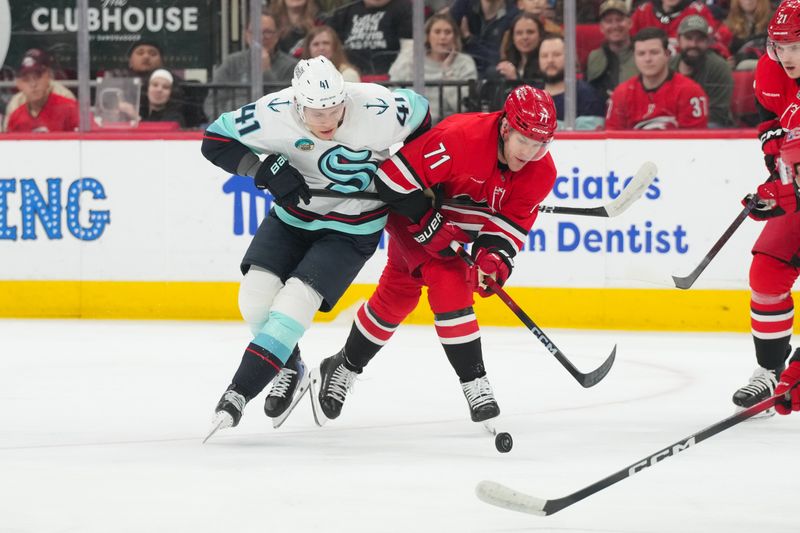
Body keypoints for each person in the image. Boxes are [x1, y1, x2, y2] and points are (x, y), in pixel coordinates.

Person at [200, 56, 430, 438]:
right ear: (296, 104)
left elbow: (422, 117)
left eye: (335, 110)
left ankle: (238, 393)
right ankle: (289, 367)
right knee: (254, 300)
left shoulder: (377, 106)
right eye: (316, 113)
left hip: (352, 229)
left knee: (295, 302)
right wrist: (262, 171)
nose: (328, 122)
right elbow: (215, 140)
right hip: (293, 219)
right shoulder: (273, 112)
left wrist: (412, 177)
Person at [307, 86, 558, 428]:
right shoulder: (459, 138)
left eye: (540, 144)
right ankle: (475, 383)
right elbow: (391, 182)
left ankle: (343, 364)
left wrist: (493, 260)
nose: (530, 153)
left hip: (453, 230)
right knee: (450, 278)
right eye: (524, 141)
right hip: (410, 216)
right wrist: (428, 223)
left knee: (396, 297)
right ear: (505, 128)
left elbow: (508, 226)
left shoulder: (541, 172)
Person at [730, 0, 800, 417]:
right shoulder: (771, 72)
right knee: (767, 269)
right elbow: (771, 129)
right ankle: (770, 369)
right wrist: (777, 186)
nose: (786, 56)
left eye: (796, 45)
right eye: (780, 46)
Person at [605, 27, 709, 129]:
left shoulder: (690, 92)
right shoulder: (621, 93)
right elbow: (613, 139)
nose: (648, 59)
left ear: (667, 54)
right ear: (634, 57)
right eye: (641, 54)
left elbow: (693, 142)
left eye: (654, 52)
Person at [204, 11, 298, 119]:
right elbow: (212, 103)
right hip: (233, 125)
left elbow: (286, 106)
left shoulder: (291, 66)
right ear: (246, 35)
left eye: (267, 32)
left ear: (277, 35)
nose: (261, 37)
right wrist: (225, 123)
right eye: (255, 32)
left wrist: (266, 71)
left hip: (272, 126)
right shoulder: (231, 62)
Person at [388, 13, 478, 122]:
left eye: (448, 32)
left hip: (449, 127)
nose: (442, 37)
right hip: (413, 126)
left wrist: (447, 71)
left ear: (455, 37)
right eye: (437, 32)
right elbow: (393, 92)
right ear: (428, 36)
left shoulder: (465, 63)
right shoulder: (411, 60)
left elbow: (464, 106)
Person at [669, 15, 734, 127]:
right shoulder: (668, 66)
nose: (693, 44)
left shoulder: (719, 67)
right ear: (679, 39)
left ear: (708, 41)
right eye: (689, 38)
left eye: (700, 39)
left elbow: (718, 113)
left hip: (709, 128)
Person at [326, 0, 413, 76]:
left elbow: (409, 49)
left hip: (390, 78)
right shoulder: (346, 10)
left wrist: (394, 77)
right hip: (350, 76)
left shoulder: (403, 8)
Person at [537, 34, 606, 128]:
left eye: (557, 55)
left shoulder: (587, 95)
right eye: (544, 56)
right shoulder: (529, 95)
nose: (550, 60)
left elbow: (589, 139)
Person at [5, 49, 78, 133]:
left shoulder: (66, 100)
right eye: (26, 79)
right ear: (19, 83)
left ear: (48, 75)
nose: (33, 84)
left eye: (38, 76)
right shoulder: (15, 105)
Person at [450, 0, 519, 77]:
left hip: (494, 76)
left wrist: (469, 39)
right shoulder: (464, 5)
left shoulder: (513, 15)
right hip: (461, 70)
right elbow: (445, 27)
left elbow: (497, 59)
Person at [586, 0, 638, 100]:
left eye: (619, 20)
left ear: (630, 23)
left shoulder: (643, 54)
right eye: (609, 21)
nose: (615, 26)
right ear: (601, 27)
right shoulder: (593, 57)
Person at [630, 0, 718, 49]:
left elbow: (713, 44)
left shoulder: (699, 11)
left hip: (689, 71)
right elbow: (628, 43)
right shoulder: (643, 11)